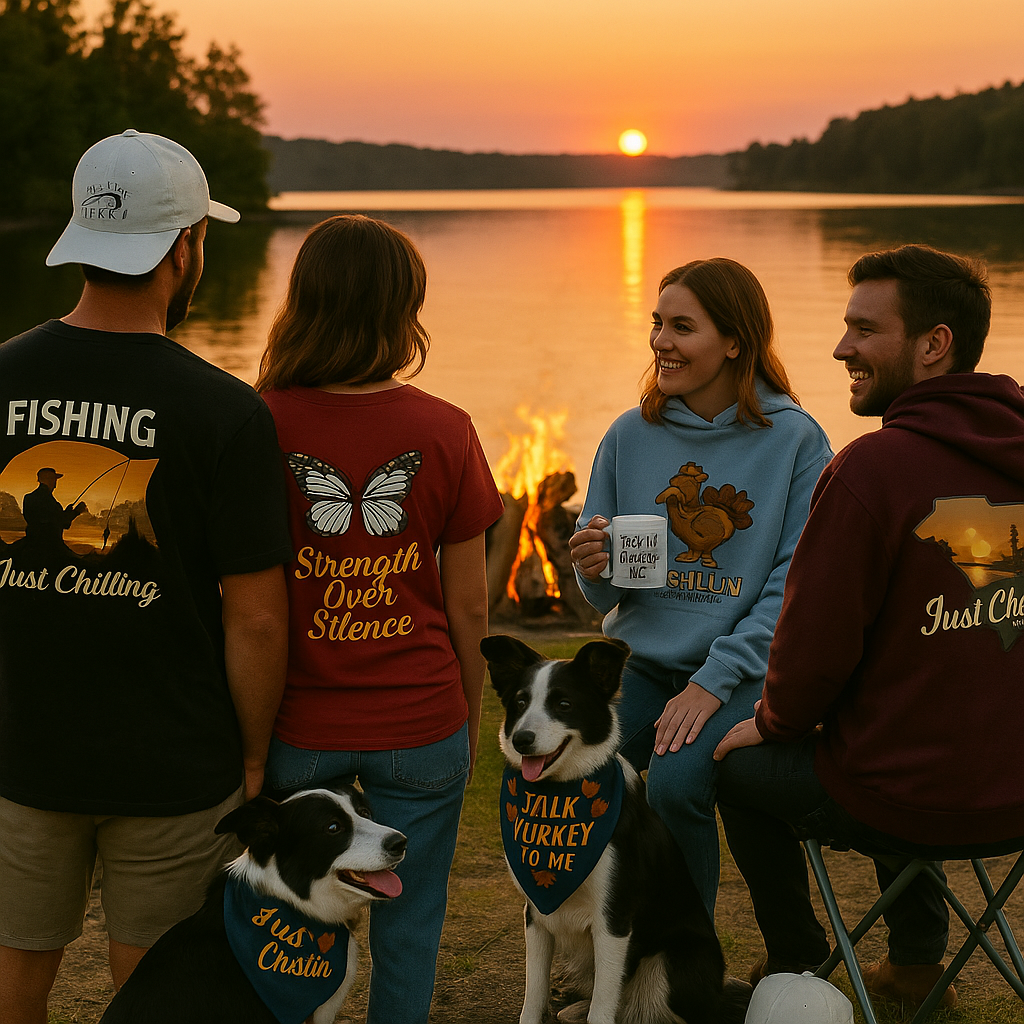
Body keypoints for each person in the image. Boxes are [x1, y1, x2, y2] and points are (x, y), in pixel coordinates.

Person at [0, 130, 292, 1024]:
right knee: (158, 991)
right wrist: (251, 754)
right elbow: (256, 620)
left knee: (14, 978)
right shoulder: (226, 411)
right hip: (173, 760)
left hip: (20, 749)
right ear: (183, 247)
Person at [713, 243, 1024, 1009]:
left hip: (908, 792)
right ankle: (916, 966)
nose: (841, 346)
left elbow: (813, 653)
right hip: (1013, 791)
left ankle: (796, 957)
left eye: (863, 329)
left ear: (933, 343)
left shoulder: (872, 471)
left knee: (740, 770)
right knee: (895, 726)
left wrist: (775, 719)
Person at [255, 214, 503, 1024]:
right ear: (404, 309)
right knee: (411, 915)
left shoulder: (257, 423)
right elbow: (469, 605)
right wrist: (466, 715)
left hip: (300, 722)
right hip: (420, 717)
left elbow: (242, 600)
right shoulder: (445, 429)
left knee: (289, 912)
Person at [567, 258, 832, 919]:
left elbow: (797, 582)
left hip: (742, 667)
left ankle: (687, 967)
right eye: (658, 324)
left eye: (683, 327)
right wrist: (591, 567)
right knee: (571, 778)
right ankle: (600, 956)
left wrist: (715, 677)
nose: (661, 341)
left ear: (735, 340)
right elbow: (609, 596)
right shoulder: (631, 434)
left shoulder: (795, 440)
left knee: (677, 785)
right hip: (643, 660)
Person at [21, 467, 86, 546]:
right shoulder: (48, 500)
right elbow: (61, 522)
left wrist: (67, 512)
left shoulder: (29, 498)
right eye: (54, 479)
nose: (55, 483)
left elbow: (50, 518)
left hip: (32, 542)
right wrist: (76, 511)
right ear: (50, 480)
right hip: (49, 545)